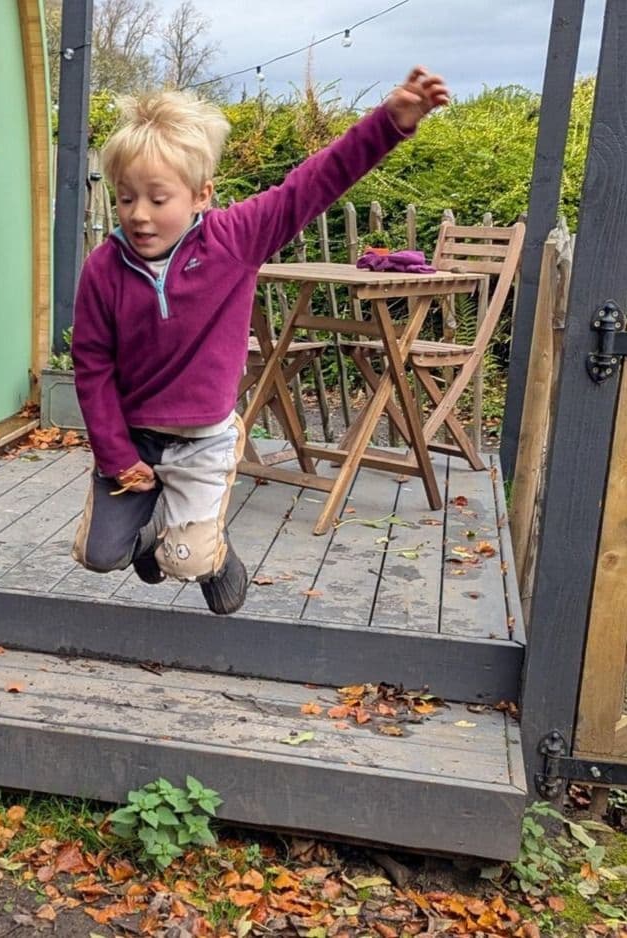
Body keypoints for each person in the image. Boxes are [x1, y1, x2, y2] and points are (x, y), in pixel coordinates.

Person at [71, 68, 449, 615]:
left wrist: (389, 124)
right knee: (100, 556)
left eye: (157, 198)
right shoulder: (104, 269)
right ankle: (155, 529)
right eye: (126, 198)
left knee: (187, 562)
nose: (139, 214)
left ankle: (214, 561)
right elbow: (91, 366)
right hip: (134, 437)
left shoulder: (236, 238)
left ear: (201, 195)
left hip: (202, 440)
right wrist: (115, 453)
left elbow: (314, 183)